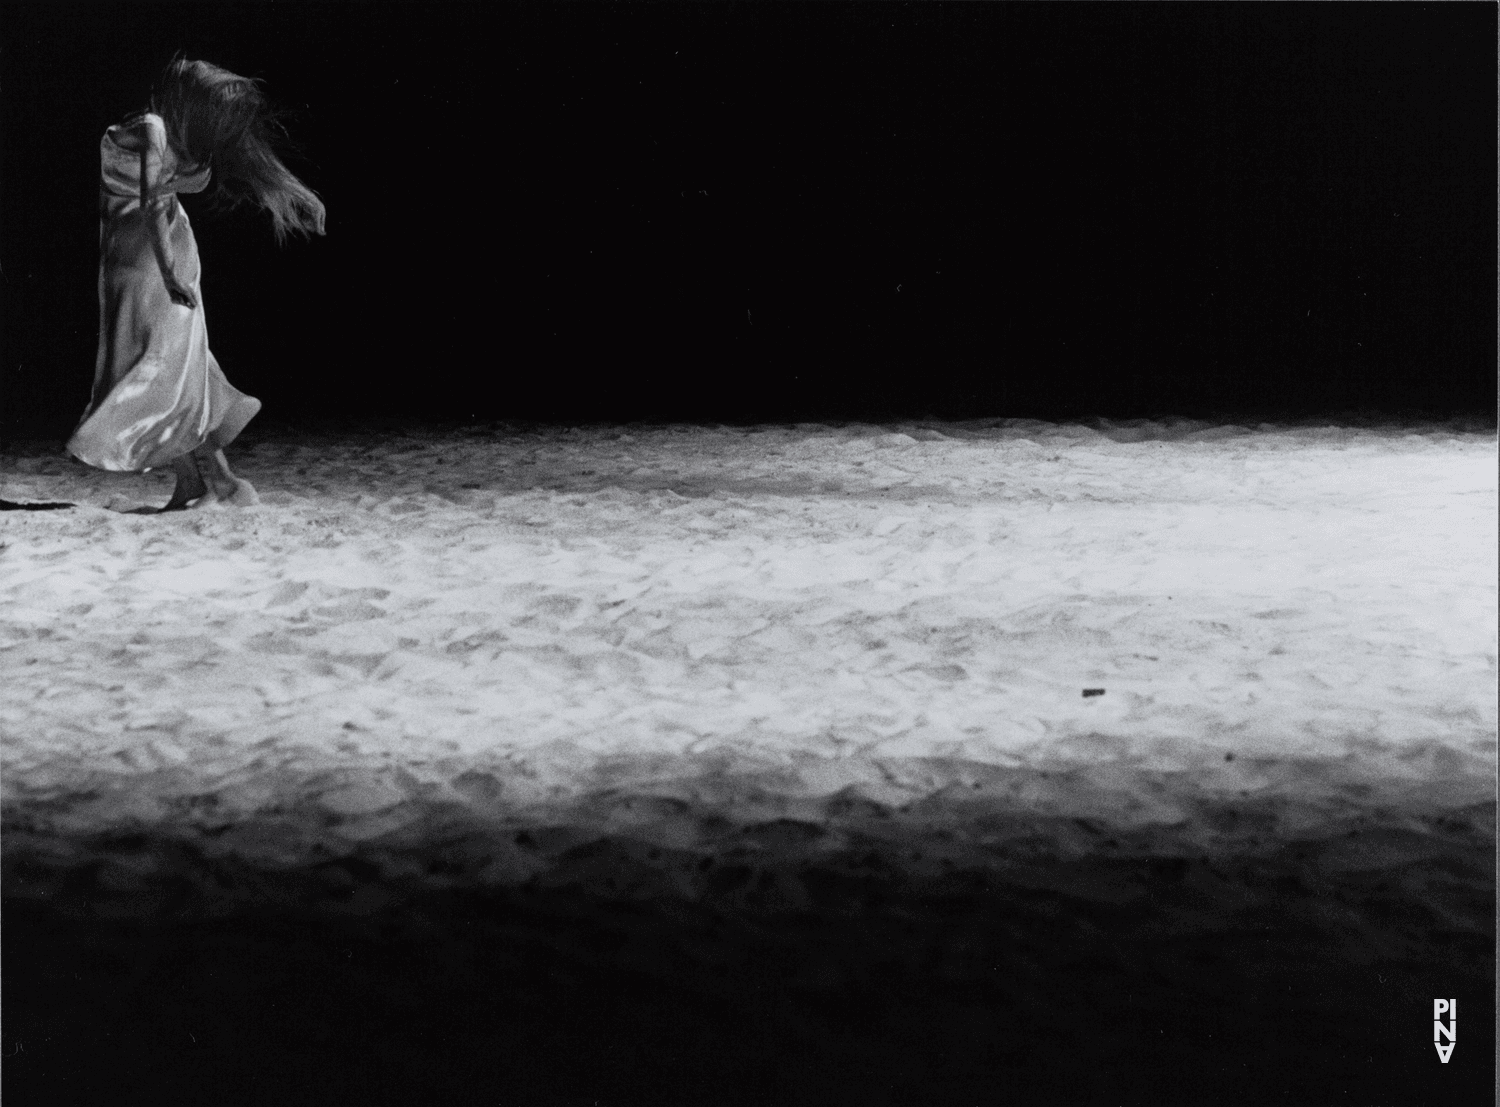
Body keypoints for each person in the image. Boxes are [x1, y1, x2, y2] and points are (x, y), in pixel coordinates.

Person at [67, 57, 325, 510]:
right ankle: (212, 481)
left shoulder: (157, 130)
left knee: (164, 370)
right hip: (134, 259)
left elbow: (151, 206)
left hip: (155, 258)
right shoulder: (157, 130)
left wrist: (170, 275)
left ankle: (207, 482)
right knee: (173, 369)